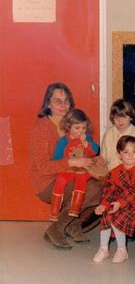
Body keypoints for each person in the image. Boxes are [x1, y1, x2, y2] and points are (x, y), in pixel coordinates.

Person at [31, 83, 103, 249]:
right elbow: (43, 167)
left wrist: (94, 160)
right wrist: (72, 162)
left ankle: (72, 224)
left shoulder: (74, 124)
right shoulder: (41, 128)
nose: (63, 105)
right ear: (48, 104)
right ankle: (56, 228)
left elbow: (87, 149)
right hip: (47, 181)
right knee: (91, 189)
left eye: (66, 101)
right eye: (58, 101)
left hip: (73, 174)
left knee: (101, 187)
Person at [93, 136, 135, 264]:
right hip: (117, 201)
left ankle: (122, 250)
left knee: (119, 217)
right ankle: (103, 248)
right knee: (107, 215)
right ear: (119, 154)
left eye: (134, 152)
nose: (130, 155)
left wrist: (121, 203)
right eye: (125, 152)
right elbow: (109, 191)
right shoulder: (114, 172)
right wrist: (104, 205)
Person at [50, 109, 99, 221]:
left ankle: (75, 208)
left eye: (84, 128)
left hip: (83, 170)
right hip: (68, 170)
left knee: (81, 180)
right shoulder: (64, 141)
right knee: (60, 180)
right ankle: (54, 209)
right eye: (77, 128)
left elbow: (95, 150)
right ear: (68, 126)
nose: (81, 131)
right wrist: (68, 161)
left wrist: (86, 143)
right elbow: (56, 158)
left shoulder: (87, 138)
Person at [100, 99, 135, 171]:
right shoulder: (108, 133)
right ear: (112, 119)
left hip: (133, 176)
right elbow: (103, 158)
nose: (120, 121)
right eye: (116, 118)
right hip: (110, 176)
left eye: (124, 117)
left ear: (130, 117)